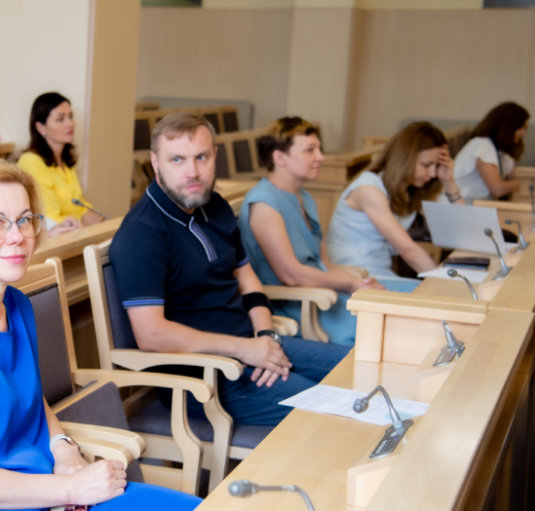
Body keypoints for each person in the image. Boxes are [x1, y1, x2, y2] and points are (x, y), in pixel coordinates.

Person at [0, 157, 202, 511]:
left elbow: (31, 402)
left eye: (24, 219)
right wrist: (69, 490)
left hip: (45, 492)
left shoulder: (15, 304)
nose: (18, 236)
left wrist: (64, 451)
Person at [109, 113, 350, 428]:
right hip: (203, 379)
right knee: (335, 410)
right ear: (155, 162)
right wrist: (246, 349)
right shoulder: (142, 233)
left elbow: (248, 281)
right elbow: (151, 335)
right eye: (177, 160)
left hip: (251, 345)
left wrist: (265, 338)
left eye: (202, 157)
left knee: (358, 369)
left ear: (215, 157)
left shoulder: (216, 207)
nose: (192, 172)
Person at [239, 117, 385, 347]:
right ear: (280, 157)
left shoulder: (303, 196)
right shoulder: (264, 202)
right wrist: (349, 285)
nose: (321, 157)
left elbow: (324, 262)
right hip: (295, 302)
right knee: (382, 333)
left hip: (321, 292)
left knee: (387, 309)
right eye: (310, 150)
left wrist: (360, 283)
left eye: (318, 149)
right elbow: (291, 275)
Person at [326, 122, 462, 290]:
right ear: (405, 159)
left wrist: (449, 182)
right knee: (435, 297)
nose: (433, 174)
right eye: (426, 165)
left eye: (436, 166)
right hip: (355, 278)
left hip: (378, 274)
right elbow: (408, 251)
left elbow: (457, 231)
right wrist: (449, 286)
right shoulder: (369, 189)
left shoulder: (409, 189)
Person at [18, 92, 102, 237]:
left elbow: (80, 209)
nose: (70, 123)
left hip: (73, 235)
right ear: (40, 128)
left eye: (70, 116)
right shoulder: (30, 161)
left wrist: (104, 224)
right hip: (56, 239)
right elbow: (50, 217)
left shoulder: (65, 162)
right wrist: (87, 231)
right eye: (60, 119)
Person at [453, 102, 529, 200]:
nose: (524, 133)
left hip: (475, 206)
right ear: (508, 127)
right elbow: (498, 189)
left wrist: (523, 182)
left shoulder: (501, 150)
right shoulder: (483, 145)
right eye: (521, 127)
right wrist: (526, 184)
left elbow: (514, 177)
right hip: (460, 207)